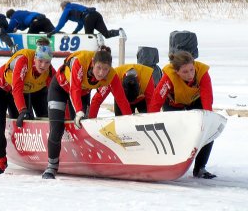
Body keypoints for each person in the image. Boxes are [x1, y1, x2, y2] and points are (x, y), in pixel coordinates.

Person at [42, 46, 132, 179]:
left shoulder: (111, 75)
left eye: (106, 69)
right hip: (60, 89)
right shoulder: (81, 62)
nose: (101, 73)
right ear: (93, 63)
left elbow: (121, 99)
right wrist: (79, 111)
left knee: (82, 127)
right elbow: (74, 90)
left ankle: (84, 160)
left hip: (82, 93)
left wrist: (130, 119)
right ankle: (51, 166)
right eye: (99, 68)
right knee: (57, 127)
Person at [0, 37, 56, 174]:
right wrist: (23, 109)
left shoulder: (49, 71)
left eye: (47, 62)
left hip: (18, 91)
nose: (43, 65)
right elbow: (17, 88)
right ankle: (0, 160)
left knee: (24, 124)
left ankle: (32, 153)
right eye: (40, 61)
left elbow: (57, 93)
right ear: (35, 58)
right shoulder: (24, 60)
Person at [148, 50, 216, 179]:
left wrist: (208, 121)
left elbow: (207, 99)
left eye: (191, 70)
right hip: (174, 103)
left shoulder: (202, 73)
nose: (190, 75)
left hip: (195, 101)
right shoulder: (168, 77)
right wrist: (151, 121)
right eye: (185, 72)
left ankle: (200, 167)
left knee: (208, 130)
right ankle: (168, 163)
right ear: (176, 71)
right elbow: (156, 101)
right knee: (173, 131)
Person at [91, 64, 155, 116]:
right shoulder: (112, 77)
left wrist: (152, 120)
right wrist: (90, 121)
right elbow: (97, 100)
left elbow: (152, 105)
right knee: (121, 121)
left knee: (148, 115)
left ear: (139, 85)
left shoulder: (147, 78)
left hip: (141, 100)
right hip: (122, 101)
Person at [47, 1, 122, 38]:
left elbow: (61, 23)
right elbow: (81, 23)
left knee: (89, 37)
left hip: (89, 18)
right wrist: (75, 31)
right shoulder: (75, 7)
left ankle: (92, 51)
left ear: (63, 7)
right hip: (96, 14)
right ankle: (119, 32)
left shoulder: (67, 9)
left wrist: (54, 31)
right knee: (106, 34)